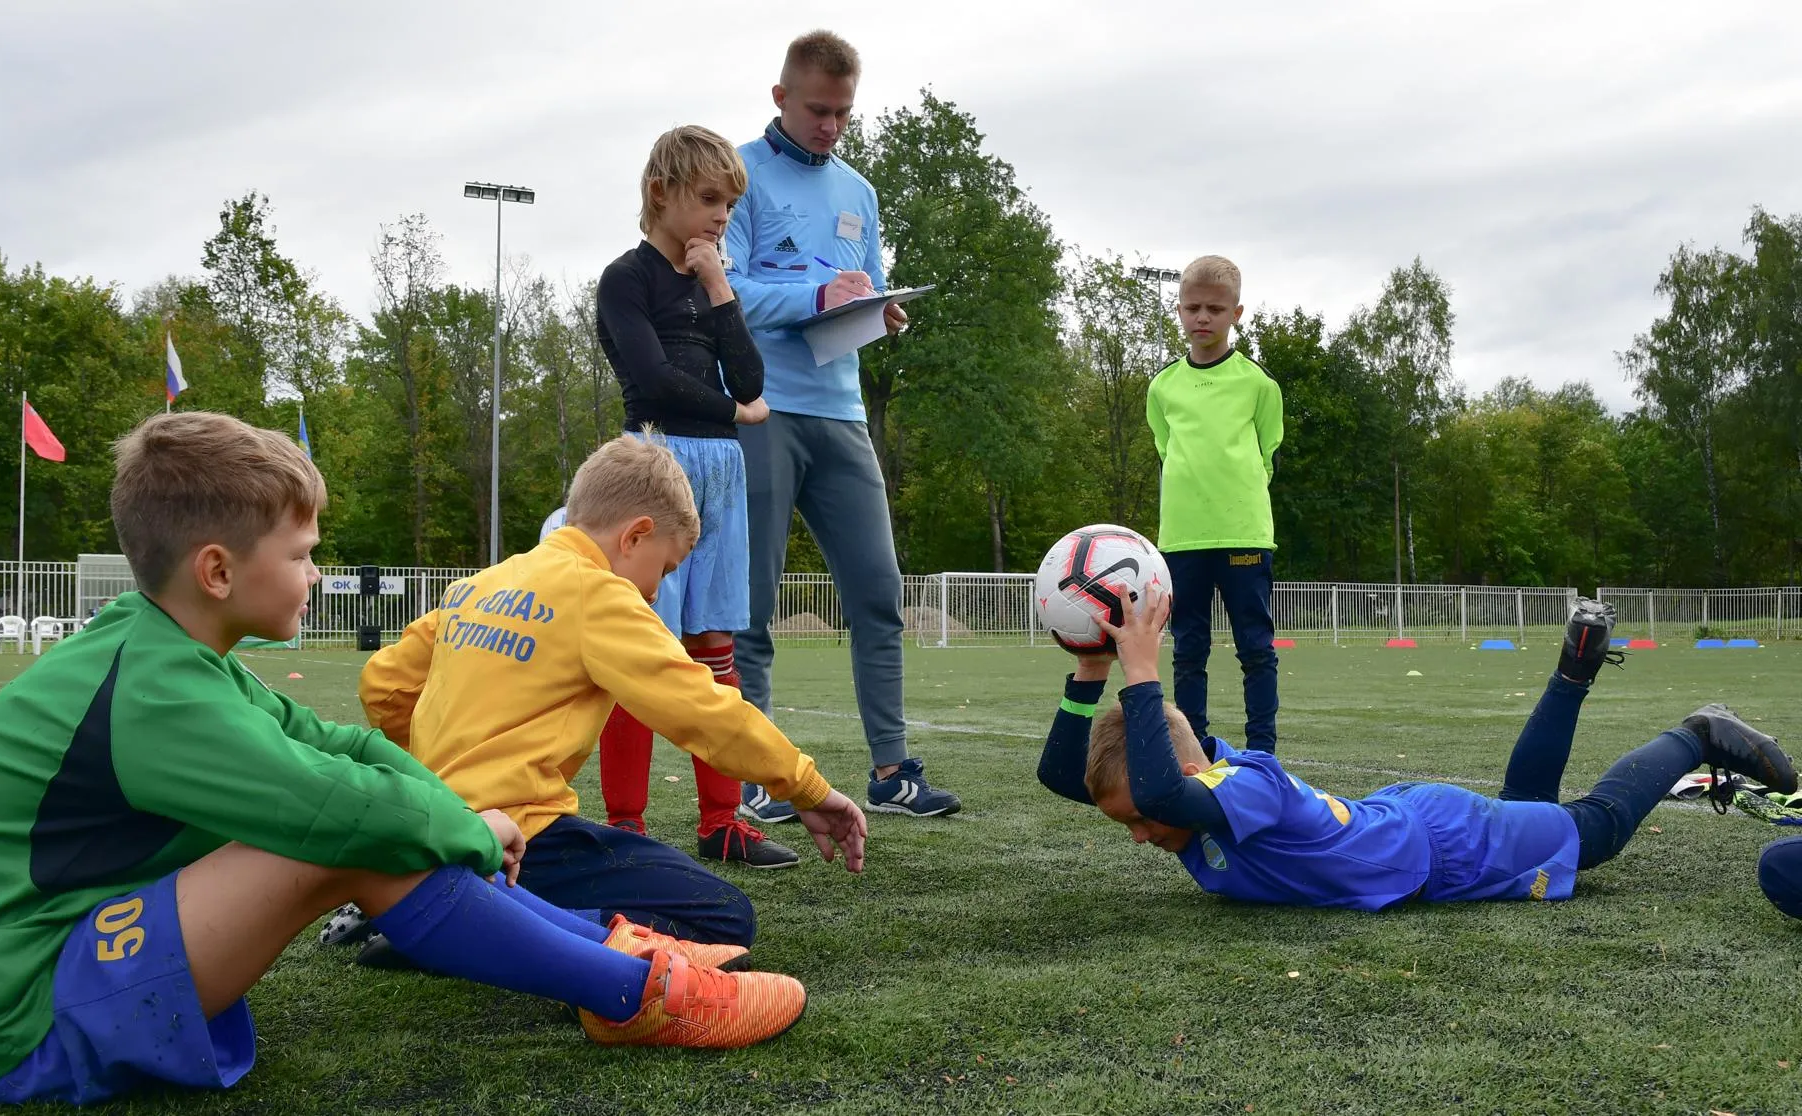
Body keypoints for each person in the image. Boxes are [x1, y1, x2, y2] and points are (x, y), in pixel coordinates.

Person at [0, 414, 814, 1107]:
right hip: (15, 1013)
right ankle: (637, 991)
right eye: (301, 554)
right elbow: (334, 799)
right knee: (352, 833)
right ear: (218, 571)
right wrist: (466, 824)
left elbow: (343, 739)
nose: (318, 574)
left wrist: (455, 821)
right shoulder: (157, 689)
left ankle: (617, 954)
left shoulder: (165, 650)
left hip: (44, 956)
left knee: (367, 811)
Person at [330, 434, 868, 970]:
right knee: (723, 916)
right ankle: (475, 923)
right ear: (636, 536)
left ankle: (436, 913)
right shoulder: (599, 592)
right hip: (521, 839)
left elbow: (383, 684)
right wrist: (805, 786)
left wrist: (434, 780)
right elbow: (704, 708)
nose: (657, 591)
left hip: (437, 830)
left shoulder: (481, 584)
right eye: (667, 568)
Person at [1038, 593, 1798, 909]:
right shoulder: (1183, 806)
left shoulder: (1242, 789)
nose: (1139, 836)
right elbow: (1061, 777)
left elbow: (1165, 798)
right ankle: (1574, 669)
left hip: (1446, 846)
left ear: (1192, 771)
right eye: (1127, 826)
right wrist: (1090, 673)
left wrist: (1142, 668)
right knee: (1531, 809)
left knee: (1590, 831)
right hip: (1409, 824)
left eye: (1137, 819)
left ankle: (1696, 733)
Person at [725, 29, 960, 823]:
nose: (830, 126)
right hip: (759, 408)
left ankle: (892, 772)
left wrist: (878, 312)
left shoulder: (859, 191)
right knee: (750, 601)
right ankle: (758, 776)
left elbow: (863, 290)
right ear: (780, 98)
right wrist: (816, 299)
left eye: (843, 114)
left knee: (879, 593)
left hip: (842, 411)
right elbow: (724, 291)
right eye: (818, 110)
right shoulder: (738, 174)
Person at [590, 125, 796, 869]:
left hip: (720, 475)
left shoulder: (714, 283)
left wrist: (719, 287)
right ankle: (627, 832)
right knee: (637, 655)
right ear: (661, 193)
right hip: (651, 465)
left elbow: (748, 379)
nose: (720, 216)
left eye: (730, 206)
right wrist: (737, 416)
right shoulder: (626, 279)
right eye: (709, 199)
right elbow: (653, 383)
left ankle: (724, 822)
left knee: (715, 650)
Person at [1146, 255, 1284, 752]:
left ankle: (1262, 751)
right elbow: (1166, 448)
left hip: (1244, 533)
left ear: (1237, 314)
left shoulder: (1258, 384)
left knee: (1255, 647)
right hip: (1184, 537)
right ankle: (1194, 748)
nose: (1203, 318)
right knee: (1188, 650)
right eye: (1193, 307)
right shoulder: (1162, 386)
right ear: (1180, 311)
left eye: (1215, 309)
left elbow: (1267, 449)